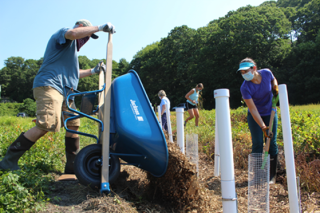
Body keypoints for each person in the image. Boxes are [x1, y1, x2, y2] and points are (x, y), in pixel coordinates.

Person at [0, 19, 115, 174]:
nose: (86, 39)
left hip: (67, 92)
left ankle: (72, 167)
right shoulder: (64, 33)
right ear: (80, 27)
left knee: (73, 123)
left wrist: (93, 71)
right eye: (87, 34)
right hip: (50, 86)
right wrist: (100, 28)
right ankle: (8, 161)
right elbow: (73, 34)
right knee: (46, 125)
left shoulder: (72, 53)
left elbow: (75, 73)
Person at [237, 57, 279, 183]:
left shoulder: (266, 73)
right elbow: (253, 109)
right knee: (257, 143)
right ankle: (258, 175)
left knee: (272, 142)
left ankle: (272, 175)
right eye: (242, 72)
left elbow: (273, 79)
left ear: (254, 68)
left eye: (246, 71)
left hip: (270, 112)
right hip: (255, 116)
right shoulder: (245, 88)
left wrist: (275, 86)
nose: (244, 74)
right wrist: (263, 127)